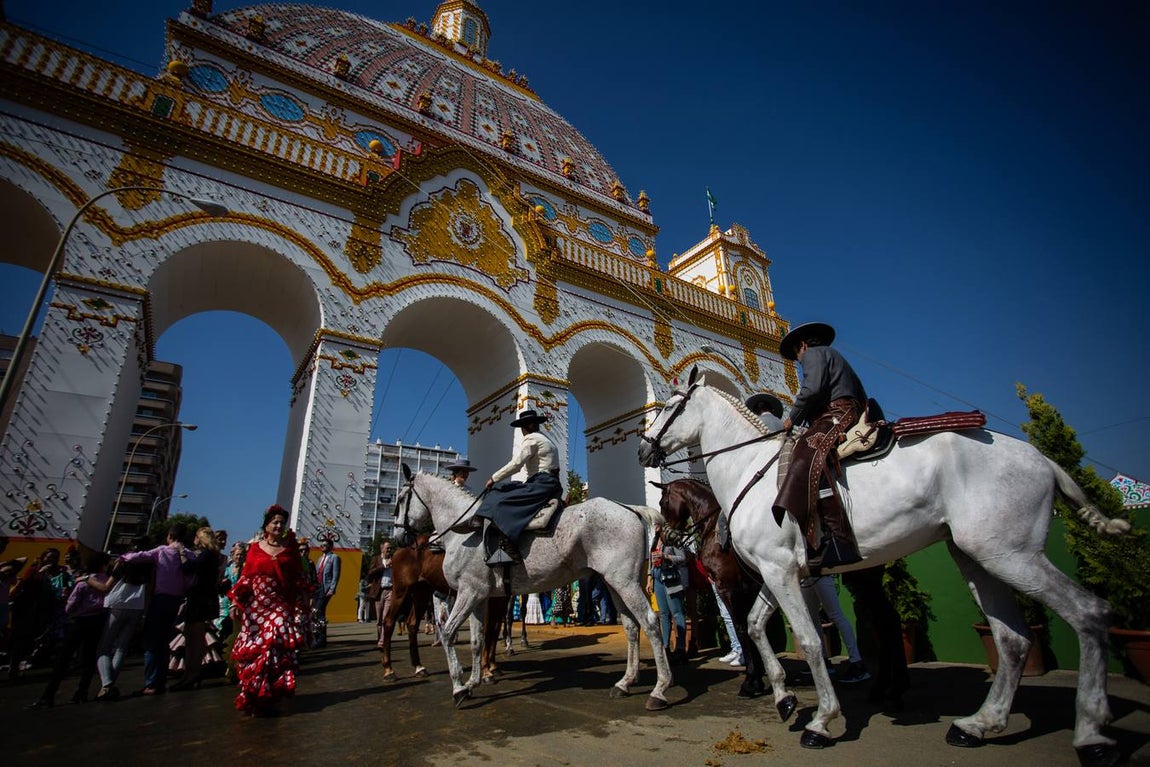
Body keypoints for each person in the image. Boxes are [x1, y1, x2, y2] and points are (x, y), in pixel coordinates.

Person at [774, 322, 866, 570]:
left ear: (802, 345)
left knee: (807, 453)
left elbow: (811, 389)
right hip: (841, 410)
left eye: (796, 354)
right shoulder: (832, 356)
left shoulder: (813, 354)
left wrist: (791, 418)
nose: (798, 359)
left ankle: (837, 536)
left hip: (837, 412)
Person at [228, 504, 307, 716]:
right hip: (257, 605)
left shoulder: (290, 550)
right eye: (275, 522)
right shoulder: (254, 549)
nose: (279, 526)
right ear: (267, 525)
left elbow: (299, 578)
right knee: (257, 648)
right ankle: (255, 693)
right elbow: (246, 577)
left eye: (282, 523)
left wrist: (304, 602)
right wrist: (235, 603)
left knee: (275, 640)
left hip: (280, 603)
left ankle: (274, 692)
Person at [475, 409, 563, 564]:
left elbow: (516, 465)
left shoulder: (531, 439)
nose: (522, 431)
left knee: (499, 493)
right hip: (551, 483)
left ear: (526, 427)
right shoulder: (546, 440)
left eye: (522, 427)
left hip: (541, 483)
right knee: (511, 488)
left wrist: (493, 478)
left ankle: (508, 544)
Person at [30, 552, 111, 707]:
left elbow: (70, 606)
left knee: (64, 658)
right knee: (88, 658)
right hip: (98, 621)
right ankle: (81, 692)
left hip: (79, 621)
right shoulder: (107, 582)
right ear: (103, 566)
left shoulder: (83, 583)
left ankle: (48, 695)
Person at [120, 526, 188, 695]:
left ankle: (151, 682)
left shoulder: (162, 551)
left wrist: (123, 556)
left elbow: (137, 557)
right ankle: (161, 680)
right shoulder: (187, 554)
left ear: (170, 536)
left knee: (151, 643)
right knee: (165, 642)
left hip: (160, 599)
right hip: (177, 600)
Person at [93, 542, 150, 701]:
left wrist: (86, 579)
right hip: (137, 606)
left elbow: (105, 587)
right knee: (121, 648)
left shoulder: (123, 562)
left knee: (104, 647)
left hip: (117, 604)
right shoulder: (148, 565)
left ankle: (106, 684)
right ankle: (109, 684)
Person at [171, 526, 221, 690]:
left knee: (195, 638)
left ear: (200, 538)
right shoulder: (212, 556)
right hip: (201, 599)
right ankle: (190, 673)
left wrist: (182, 552)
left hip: (201, 599)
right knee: (192, 637)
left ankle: (192, 673)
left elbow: (189, 569)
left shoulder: (207, 555)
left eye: (196, 537)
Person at [801, 574, 871, 683]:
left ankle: (857, 663)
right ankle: (823, 661)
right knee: (811, 617)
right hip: (806, 577)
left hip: (821, 574)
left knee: (835, 615)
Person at [648, 525, 689, 665]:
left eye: (656, 523)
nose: (654, 526)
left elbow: (683, 557)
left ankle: (681, 648)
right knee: (663, 614)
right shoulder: (654, 540)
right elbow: (650, 560)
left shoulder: (671, 536)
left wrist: (666, 556)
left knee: (677, 613)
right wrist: (650, 578)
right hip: (658, 578)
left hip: (671, 578)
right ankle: (665, 647)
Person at [314, 538, 340, 646]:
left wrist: (332, 589)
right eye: (321, 545)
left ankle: (321, 638)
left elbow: (336, 574)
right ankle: (319, 637)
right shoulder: (320, 559)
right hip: (317, 587)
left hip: (326, 588)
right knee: (318, 611)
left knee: (319, 610)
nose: (322, 547)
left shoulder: (334, 558)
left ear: (330, 546)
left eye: (325, 545)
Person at [368, 542, 394, 647]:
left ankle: (383, 640)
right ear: (382, 549)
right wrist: (383, 566)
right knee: (379, 619)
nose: (389, 550)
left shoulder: (394, 560)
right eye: (387, 548)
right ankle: (380, 638)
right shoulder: (377, 559)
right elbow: (370, 572)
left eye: (390, 548)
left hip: (390, 591)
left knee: (385, 617)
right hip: (378, 592)